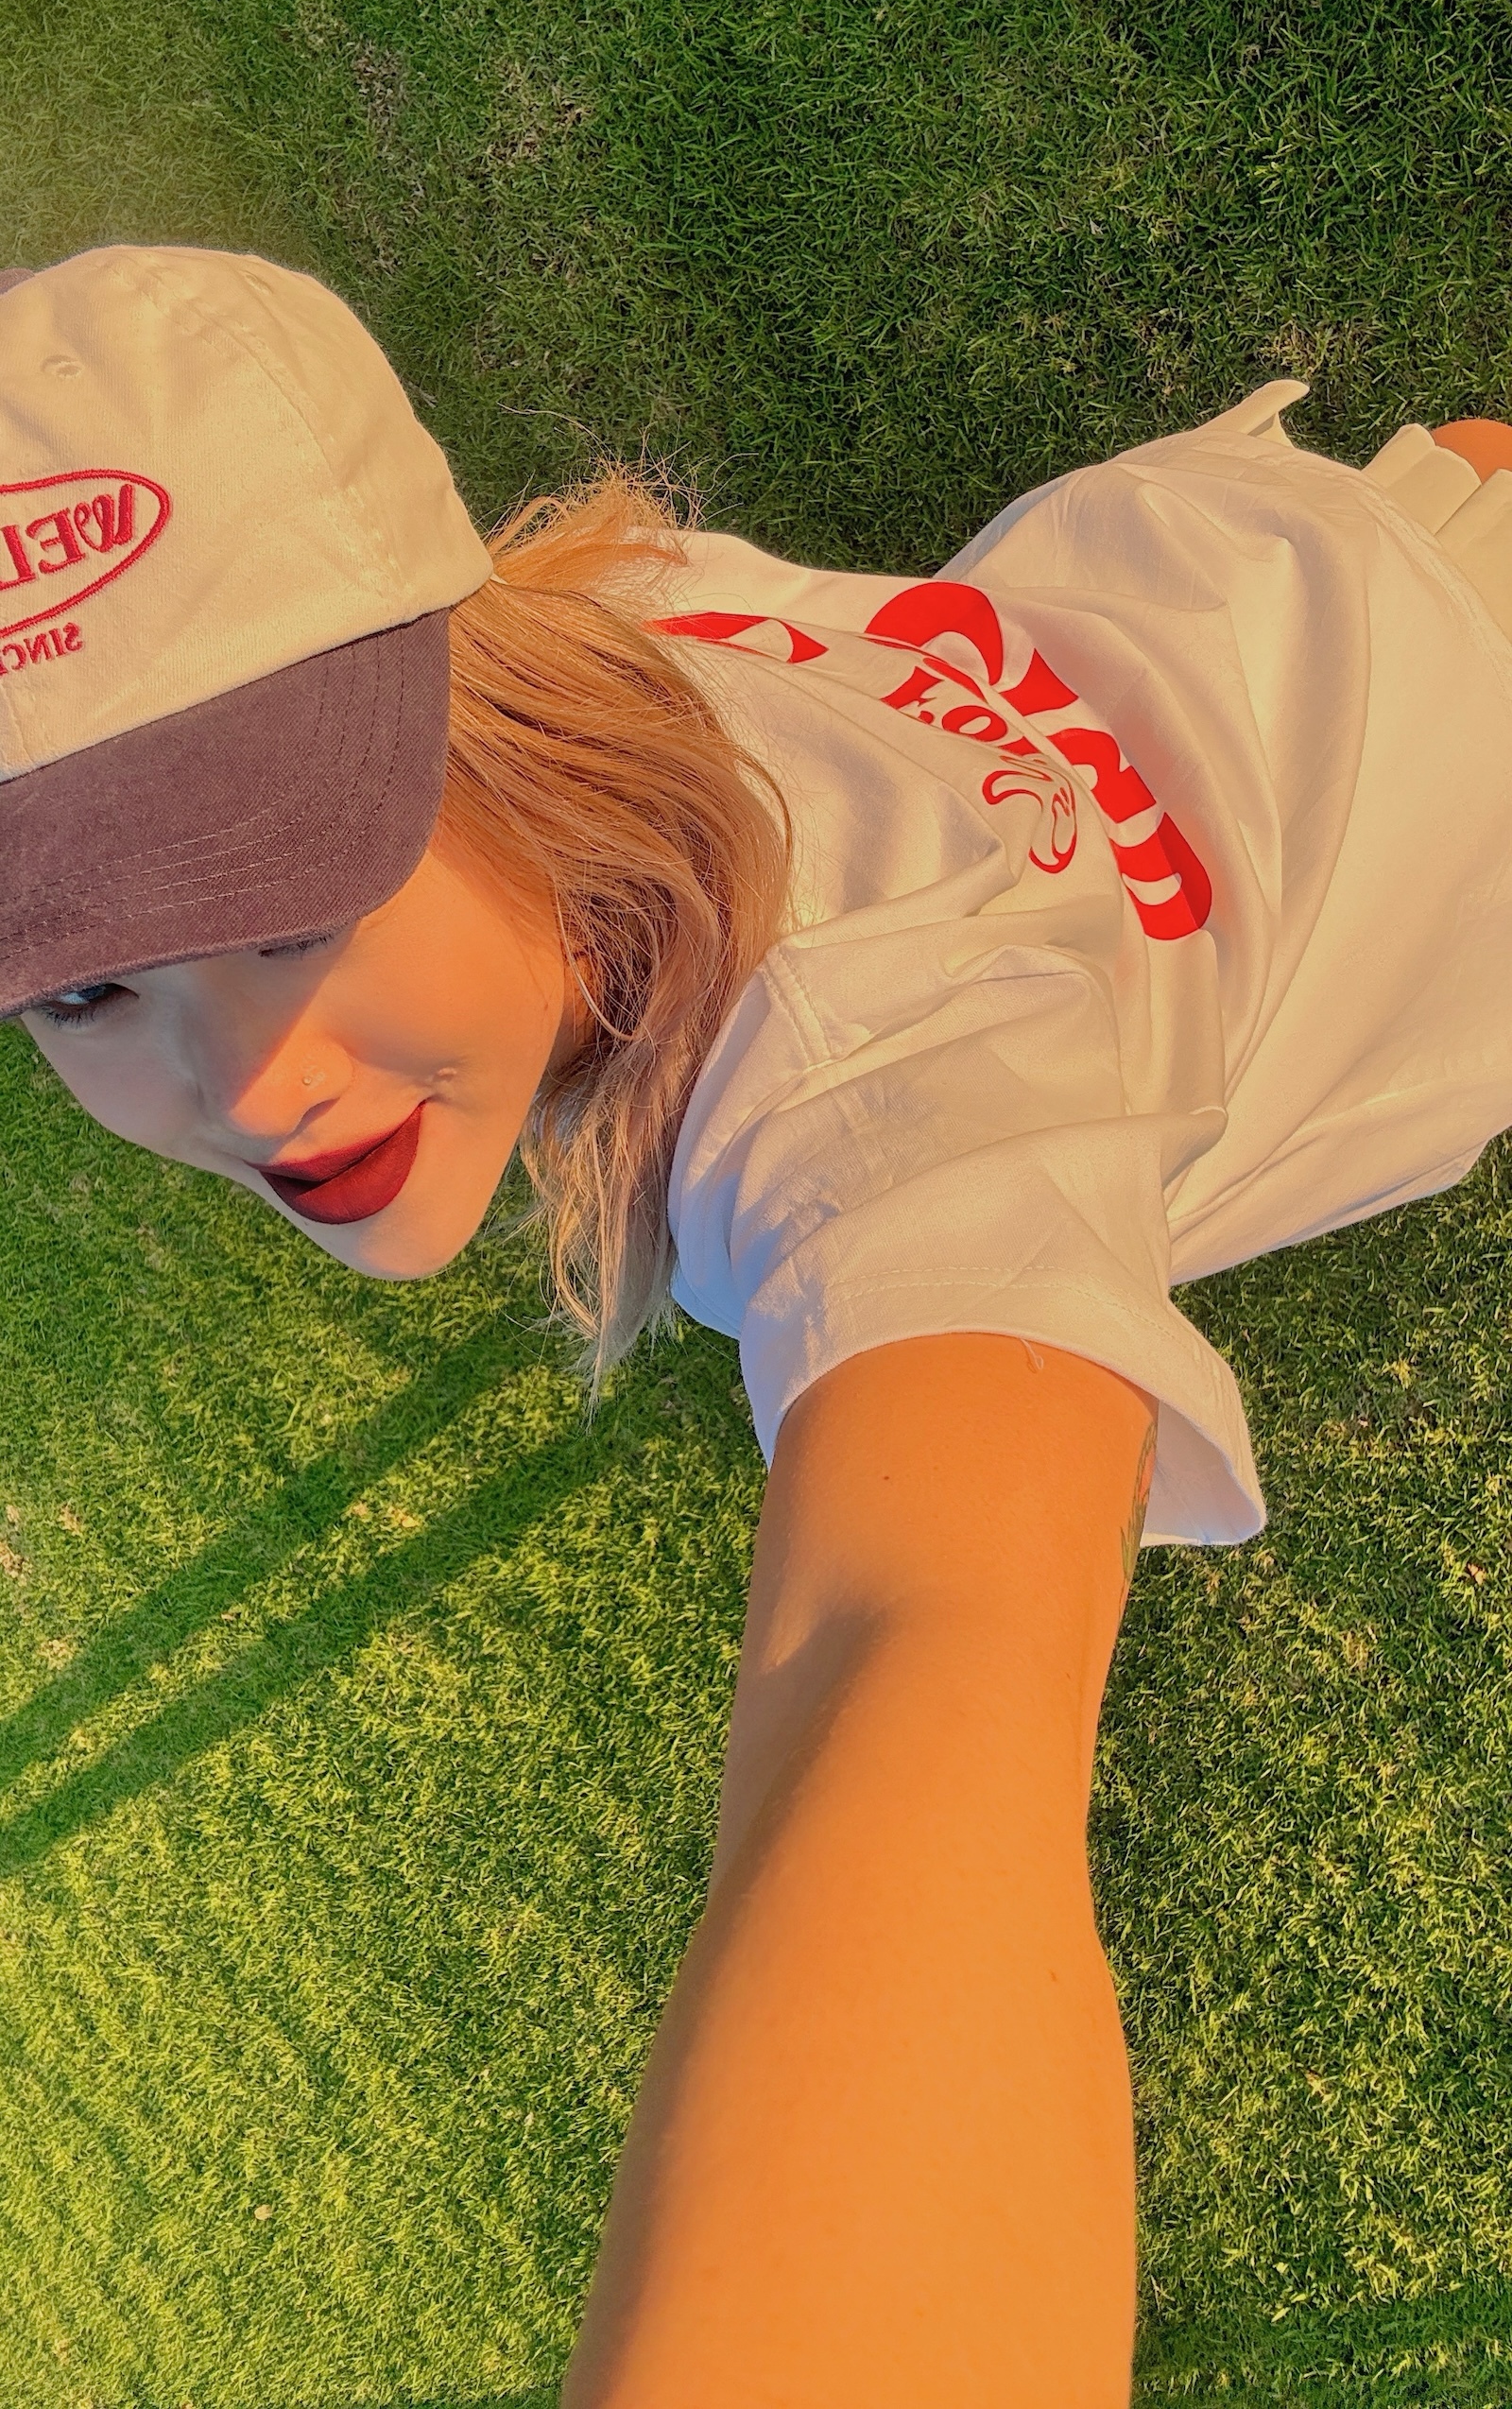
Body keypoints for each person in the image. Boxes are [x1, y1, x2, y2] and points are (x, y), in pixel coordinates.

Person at [4, 247, 1512, 2408]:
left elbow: (913, 1639)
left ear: (465, 706)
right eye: (79, 989)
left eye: (288, 908)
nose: (238, 1085)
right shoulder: (605, 635)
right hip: (1276, 582)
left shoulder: (860, 1091)